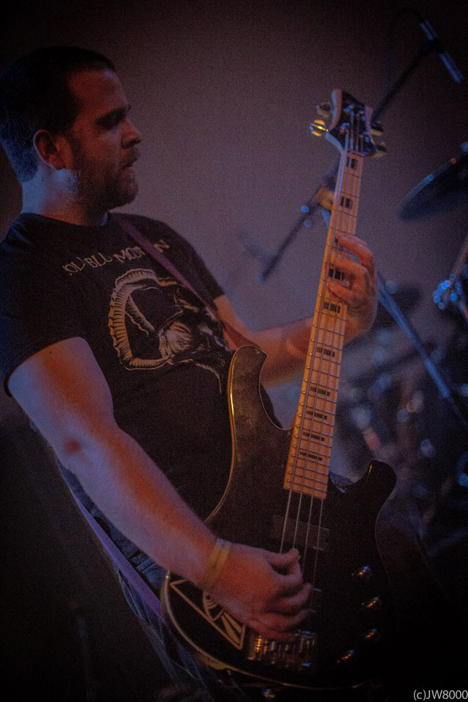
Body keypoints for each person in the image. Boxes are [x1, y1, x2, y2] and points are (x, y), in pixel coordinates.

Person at [0, 47, 379, 700]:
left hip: (278, 519)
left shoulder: (154, 237)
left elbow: (247, 358)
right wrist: (217, 567)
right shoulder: (23, 273)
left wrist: (346, 323)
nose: (135, 133)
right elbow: (84, 438)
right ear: (51, 149)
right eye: (110, 122)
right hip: (203, 564)